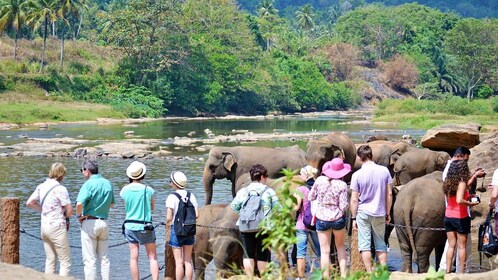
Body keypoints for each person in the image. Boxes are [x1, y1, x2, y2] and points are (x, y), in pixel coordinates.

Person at [440, 146, 486, 272]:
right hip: (460, 217)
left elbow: (458, 194)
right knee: (461, 247)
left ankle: (448, 271)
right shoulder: (461, 182)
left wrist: (472, 180)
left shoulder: (448, 181)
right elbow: (460, 200)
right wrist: (470, 204)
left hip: (448, 217)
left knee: (451, 246)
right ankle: (461, 273)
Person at [231, 164, 279, 278]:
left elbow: (234, 207)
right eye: (266, 176)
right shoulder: (269, 191)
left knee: (248, 255)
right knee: (263, 255)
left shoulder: (243, 191)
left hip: (246, 226)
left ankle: (250, 277)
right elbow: (278, 208)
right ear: (262, 177)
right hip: (264, 227)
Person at [350, 145, 392, 272]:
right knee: (381, 244)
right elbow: (389, 194)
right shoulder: (384, 171)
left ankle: (369, 272)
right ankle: (383, 272)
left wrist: (353, 218)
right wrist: (387, 213)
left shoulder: (356, 175)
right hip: (380, 212)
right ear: (371, 155)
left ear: (359, 158)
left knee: (365, 245)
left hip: (363, 213)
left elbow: (354, 199)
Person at [26, 163, 73, 276]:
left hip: (44, 227)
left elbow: (29, 203)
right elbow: (70, 211)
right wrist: (65, 215)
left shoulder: (41, 186)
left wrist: (43, 210)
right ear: (62, 174)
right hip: (57, 226)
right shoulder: (60, 189)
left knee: (50, 259)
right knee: (65, 261)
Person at [309, 158, 350, 278]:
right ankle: (343, 276)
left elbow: (311, 197)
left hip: (322, 219)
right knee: (341, 247)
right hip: (338, 219)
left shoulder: (319, 181)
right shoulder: (342, 185)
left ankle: (325, 277)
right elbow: (343, 206)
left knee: (324, 251)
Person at [76, 159, 115, 280]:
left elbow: (79, 204)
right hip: (104, 222)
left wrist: (79, 216)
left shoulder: (88, 184)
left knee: (90, 259)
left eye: (82, 170)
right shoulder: (107, 183)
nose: (82, 173)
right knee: (104, 259)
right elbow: (112, 204)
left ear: (87, 170)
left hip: (89, 222)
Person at [121, 161, 159, 280]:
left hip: (130, 226)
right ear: (142, 175)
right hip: (145, 227)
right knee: (152, 257)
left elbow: (126, 204)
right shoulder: (148, 189)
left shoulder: (125, 190)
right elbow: (152, 207)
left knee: (133, 257)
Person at [166, 171, 199, 280]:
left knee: (179, 262)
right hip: (190, 230)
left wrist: (168, 227)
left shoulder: (172, 197)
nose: (170, 183)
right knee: (187, 261)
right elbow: (197, 214)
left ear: (175, 183)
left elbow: (169, 218)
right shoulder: (191, 195)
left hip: (177, 230)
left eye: (171, 181)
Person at [293, 165, 321, 280]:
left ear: (307, 175)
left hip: (302, 224)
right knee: (321, 251)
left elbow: (296, 207)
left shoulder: (300, 190)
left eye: (302, 174)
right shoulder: (319, 187)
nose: (300, 176)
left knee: (301, 252)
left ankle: (301, 277)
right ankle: (324, 275)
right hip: (315, 223)